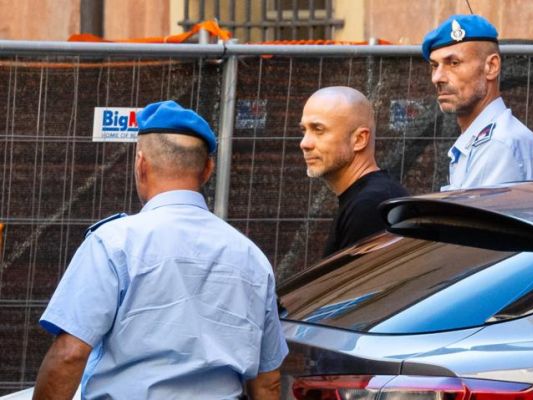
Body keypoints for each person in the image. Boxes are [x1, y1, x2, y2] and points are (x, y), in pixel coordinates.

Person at [33, 100, 288, 400]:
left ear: (141, 164)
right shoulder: (251, 257)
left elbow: (69, 355)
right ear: (208, 169)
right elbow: (268, 382)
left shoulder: (113, 244)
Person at [423, 14, 533, 191]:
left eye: (454, 63)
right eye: (434, 66)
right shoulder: (486, 139)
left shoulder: (497, 144)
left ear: (491, 67)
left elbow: (470, 210)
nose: (437, 78)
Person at [300, 86, 409, 258]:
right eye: (304, 130)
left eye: (318, 130)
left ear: (359, 139)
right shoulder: (368, 199)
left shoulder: (370, 205)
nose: (304, 143)